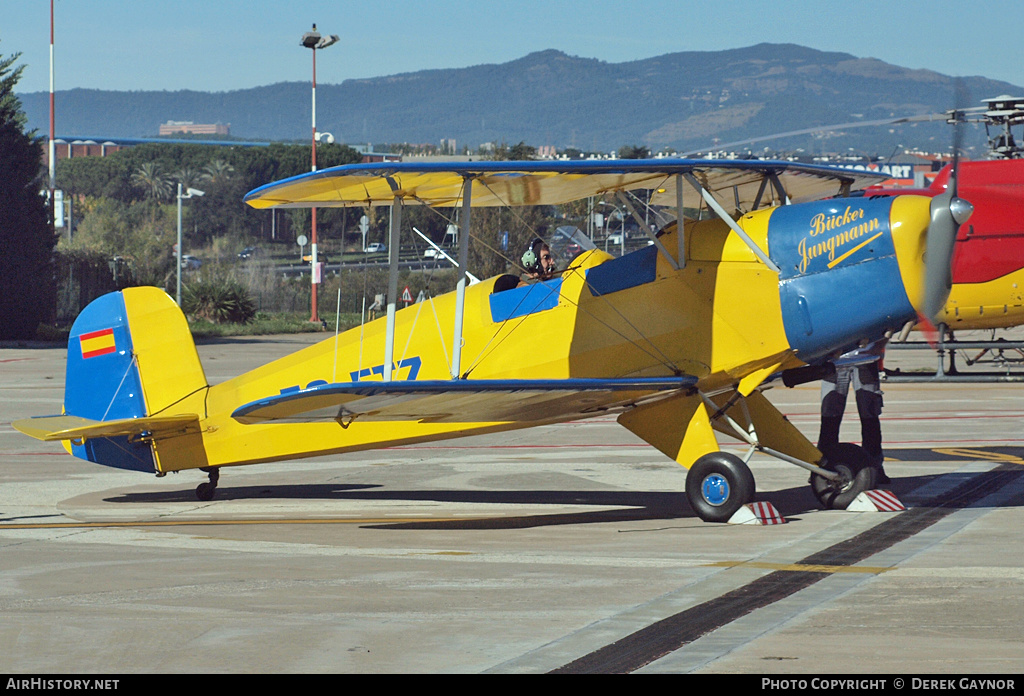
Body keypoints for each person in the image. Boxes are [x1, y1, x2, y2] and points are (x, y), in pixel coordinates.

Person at [817, 337, 890, 484]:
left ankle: (875, 467)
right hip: (834, 362)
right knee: (830, 418)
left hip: (865, 360)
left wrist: (881, 344)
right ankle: (823, 467)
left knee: (870, 417)